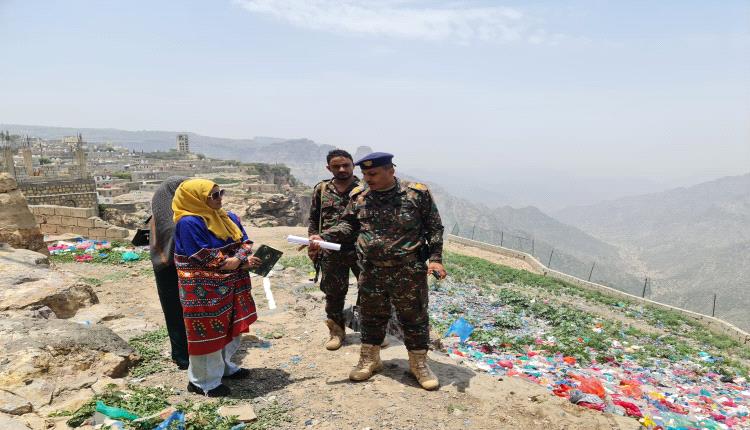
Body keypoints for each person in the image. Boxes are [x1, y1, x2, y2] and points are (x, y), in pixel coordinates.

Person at [310, 152, 447, 390]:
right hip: (371, 270)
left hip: (408, 270)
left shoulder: (416, 194)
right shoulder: (359, 196)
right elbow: (348, 225)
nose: (367, 178)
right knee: (371, 316)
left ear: (390, 171)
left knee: (413, 318)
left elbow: (434, 227)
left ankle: (419, 364)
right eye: (364, 173)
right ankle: (369, 359)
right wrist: (323, 236)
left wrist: (435, 259)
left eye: (372, 174)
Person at [172, 179, 262, 397]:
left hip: (232, 284)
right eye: (214, 195)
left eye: (220, 192)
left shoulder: (227, 217)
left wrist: (239, 259)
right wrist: (240, 261)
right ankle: (203, 382)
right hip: (204, 290)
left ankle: (224, 368)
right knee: (207, 333)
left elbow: (246, 242)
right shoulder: (189, 222)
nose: (220, 198)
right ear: (196, 198)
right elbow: (203, 256)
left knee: (230, 326)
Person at [308, 149, 362, 350]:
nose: (341, 169)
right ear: (328, 168)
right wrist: (312, 243)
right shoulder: (321, 189)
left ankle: (366, 331)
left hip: (360, 250)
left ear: (352, 165)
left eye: (346, 165)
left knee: (368, 291)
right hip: (330, 250)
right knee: (333, 293)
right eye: (336, 166)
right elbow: (314, 219)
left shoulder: (364, 188)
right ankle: (336, 332)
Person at [149, 176, 189, 370]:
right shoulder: (172, 219)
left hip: (175, 267)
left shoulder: (169, 212)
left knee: (181, 311)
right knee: (176, 311)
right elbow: (173, 241)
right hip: (170, 268)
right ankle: (182, 354)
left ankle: (187, 352)